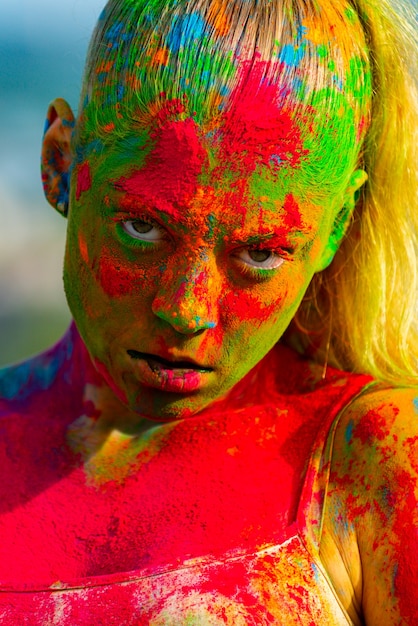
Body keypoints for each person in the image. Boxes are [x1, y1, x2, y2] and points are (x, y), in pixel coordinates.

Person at [0, 0, 417, 623]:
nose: (186, 310)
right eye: (142, 227)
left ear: (337, 227)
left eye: (261, 253)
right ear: (61, 165)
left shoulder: (380, 466)